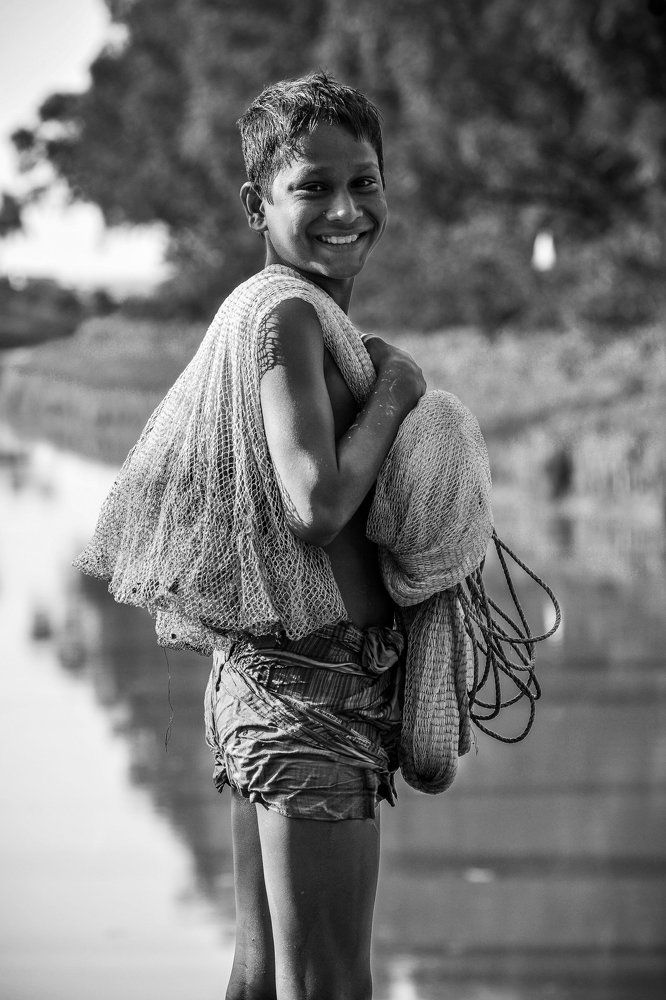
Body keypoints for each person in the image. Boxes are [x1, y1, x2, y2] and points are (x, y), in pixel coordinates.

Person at [205, 72, 426, 1000]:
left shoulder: (292, 312)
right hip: (310, 697)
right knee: (330, 984)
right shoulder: (288, 314)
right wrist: (396, 393)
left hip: (272, 682)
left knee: (265, 979)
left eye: (363, 182)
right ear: (257, 204)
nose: (345, 209)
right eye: (313, 188)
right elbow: (316, 505)